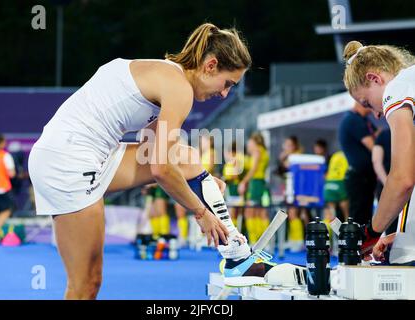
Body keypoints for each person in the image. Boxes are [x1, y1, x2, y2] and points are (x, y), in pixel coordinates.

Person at [28, 23, 305, 299]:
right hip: (66, 162)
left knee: (185, 156)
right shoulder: (178, 88)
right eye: (227, 84)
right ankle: (237, 256)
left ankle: (236, 255)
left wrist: (202, 179)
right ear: (210, 65)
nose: (224, 94)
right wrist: (201, 212)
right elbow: (160, 168)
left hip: (82, 154)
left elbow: (161, 153)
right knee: (85, 284)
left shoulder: (164, 74)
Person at [342, 40, 415, 265]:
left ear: (375, 79)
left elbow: (403, 179)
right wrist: (404, 237)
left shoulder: (397, 88)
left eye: (367, 102)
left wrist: (372, 232)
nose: (376, 114)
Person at [339, 101, 377, 225]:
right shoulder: (353, 120)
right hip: (360, 176)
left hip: (364, 176)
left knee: (364, 215)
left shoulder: (362, 119)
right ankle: (358, 243)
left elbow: (376, 136)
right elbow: (373, 145)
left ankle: (363, 242)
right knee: (360, 216)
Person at [238, 132, 270, 245]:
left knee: (250, 212)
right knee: (260, 212)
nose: (248, 145)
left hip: (255, 183)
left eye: (250, 142)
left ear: (254, 142)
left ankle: (254, 241)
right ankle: (264, 242)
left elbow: (253, 169)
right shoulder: (264, 151)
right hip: (260, 183)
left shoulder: (257, 151)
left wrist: (243, 182)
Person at [277, 136, 305, 251]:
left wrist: (284, 157)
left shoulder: (297, 155)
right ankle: (293, 239)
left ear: (294, 145)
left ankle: (298, 241)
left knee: (294, 213)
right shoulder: (290, 156)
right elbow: (282, 170)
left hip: (298, 188)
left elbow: (287, 165)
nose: (286, 147)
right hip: (290, 188)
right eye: (286, 144)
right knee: (291, 214)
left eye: (289, 145)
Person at [372, 128, 398, 235]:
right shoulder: (410, 131)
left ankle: (390, 250)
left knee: (390, 222)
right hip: (407, 184)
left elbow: (376, 161)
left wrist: (387, 184)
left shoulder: (383, 134)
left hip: (387, 185)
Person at [322, 150, 349, 228]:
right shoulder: (349, 153)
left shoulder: (335, 155)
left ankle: (331, 236)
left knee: (331, 214)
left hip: (329, 183)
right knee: (346, 214)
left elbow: (326, 173)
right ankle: (346, 234)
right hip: (341, 183)